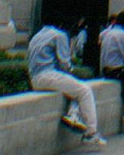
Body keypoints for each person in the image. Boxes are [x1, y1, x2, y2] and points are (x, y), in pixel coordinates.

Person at [28, 14, 106, 147]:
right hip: (48, 75)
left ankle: (73, 115)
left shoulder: (36, 36)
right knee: (85, 90)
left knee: (75, 89)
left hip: (35, 79)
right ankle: (90, 133)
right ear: (61, 24)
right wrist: (71, 71)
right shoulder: (59, 35)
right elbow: (65, 64)